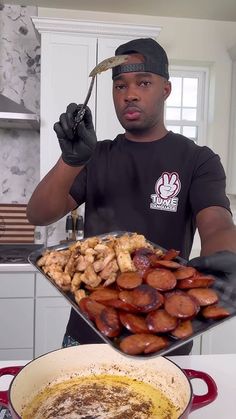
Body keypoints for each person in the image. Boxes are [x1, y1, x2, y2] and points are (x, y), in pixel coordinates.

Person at [27, 37, 236, 355]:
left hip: (161, 333)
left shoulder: (197, 159)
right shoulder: (96, 155)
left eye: (144, 82)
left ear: (165, 89)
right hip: (87, 331)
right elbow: (38, 215)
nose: (130, 95)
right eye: (120, 86)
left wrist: (226, 260)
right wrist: (70, 161)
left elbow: (216, 221)